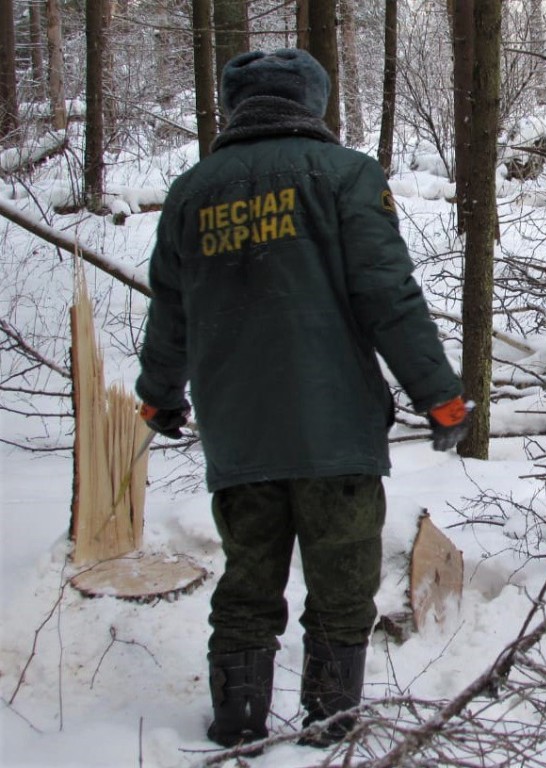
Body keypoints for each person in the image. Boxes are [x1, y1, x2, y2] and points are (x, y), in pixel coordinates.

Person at [134, 49, 471, 749]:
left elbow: (170, 310)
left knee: (248, 584)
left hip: (239, 435)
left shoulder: (192, 191)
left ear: (236, 106)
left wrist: (158, 396)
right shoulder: (345, 175)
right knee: (342, 587)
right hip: (334, 435)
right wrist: (438, 395)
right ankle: (330, 724)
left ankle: (236, 726)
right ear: (310, 102)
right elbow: (388, 295)